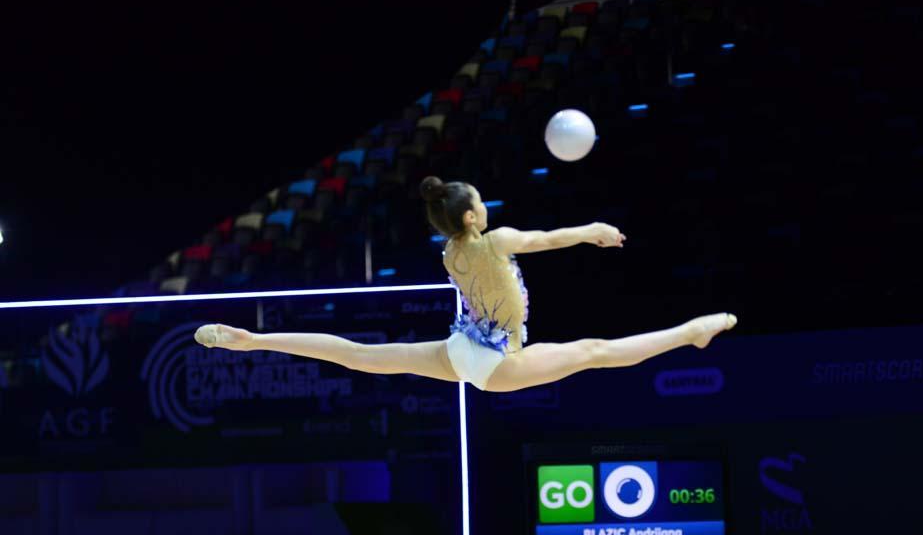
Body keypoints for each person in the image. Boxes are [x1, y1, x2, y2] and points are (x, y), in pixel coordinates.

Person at [194, 176, 737, 392]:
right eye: (480, 200)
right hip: (497, 361)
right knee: (594, 351)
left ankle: (255, 339)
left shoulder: (452, 253)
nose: (484, 204)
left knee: (361, 355)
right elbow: (545, 240)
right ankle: (690, 332)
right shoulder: (493, 241)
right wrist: (592, 230)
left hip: (463, 351)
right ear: (474, 217)